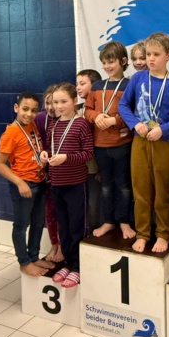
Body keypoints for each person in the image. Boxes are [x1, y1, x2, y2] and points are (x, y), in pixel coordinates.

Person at [119, 32, 169, 253]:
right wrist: (135, 124)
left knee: (162, 190)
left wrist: (163, 129)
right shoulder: (138, 78)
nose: (150, 59)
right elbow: (123, 105)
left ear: (168, 56)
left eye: (156, 54)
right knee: (140, 189)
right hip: (140, 140)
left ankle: (163, 233)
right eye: (148, 54)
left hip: (164, 141)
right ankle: (142, 233)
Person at [41, 83, 94, 288]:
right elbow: (51, 149)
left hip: (75, 184)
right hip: (57, 183)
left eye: (64, 101)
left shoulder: (81, 124)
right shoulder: (54, 125)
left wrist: (66, 158)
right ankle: (68, 263)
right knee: (63, 226)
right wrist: (45, 154)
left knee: (76, 226)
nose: (59, 106)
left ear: (75, 101)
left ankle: (78, 267)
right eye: (55, 102)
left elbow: (88, 154)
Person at [0, 92, 53, 277]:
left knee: (38, 222)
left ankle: (34, 257)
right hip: (24, 184)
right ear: (16, 108)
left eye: (34, 110)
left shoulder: (32, 125)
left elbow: (33, 149)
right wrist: (20, 183)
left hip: (39, 181)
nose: (29, 114)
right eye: (25, 109)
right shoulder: (10, 133)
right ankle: (24, 262)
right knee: (21, 226)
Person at [85, 42, 134, 239]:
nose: (107, 66)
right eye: (104, 62)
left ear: (123, 61)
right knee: (105, 185)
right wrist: (96, 116)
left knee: (123, 185)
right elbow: (87, 110)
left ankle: (124, 222)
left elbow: (134, 112)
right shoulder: (97, 86)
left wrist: (115, 120)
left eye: (111, 62)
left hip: (122, 144)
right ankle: (108, 221)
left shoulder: (129, 85)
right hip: (100, 144)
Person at [34, 85, 63, 263]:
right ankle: (54, 244)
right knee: (50, 211)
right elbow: (35, 143)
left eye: (55, 102)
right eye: (48, 102)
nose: (51, 107)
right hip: (46, 170)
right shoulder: (40, 118)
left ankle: (64, 245)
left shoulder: (66, 118)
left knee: (63, 211)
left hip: (63, 169)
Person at [76, 69, 102, 234]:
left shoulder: (101, 111)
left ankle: (94, 234)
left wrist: (102, 168)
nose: (78, 87)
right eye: (77, 84)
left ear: (94, 85)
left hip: (95, 167)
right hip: (77, 167)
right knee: (80, 203)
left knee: (95, 204)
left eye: (82, 83)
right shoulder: (76, 110)